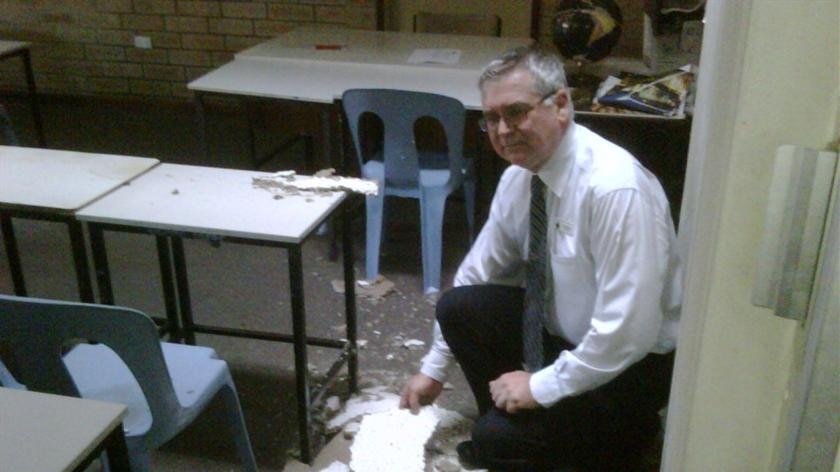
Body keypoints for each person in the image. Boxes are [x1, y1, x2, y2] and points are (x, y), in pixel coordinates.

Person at [399, 45, 682, 472]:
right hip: (563, 337)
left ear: (561, 104)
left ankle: (609, 444)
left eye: (515, 112)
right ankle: (518, 428)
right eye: (491, 119)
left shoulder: (614, 189)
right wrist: (434, 369)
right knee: (459, 307)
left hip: (628, 368)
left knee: (493, 442)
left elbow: (630, 332)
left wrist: (543, 386)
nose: (502, 130)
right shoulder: (520, 178)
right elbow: (479, 271)